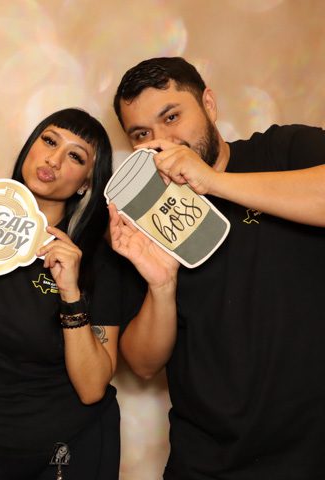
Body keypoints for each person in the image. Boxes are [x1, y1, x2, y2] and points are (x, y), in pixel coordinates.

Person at [109, 56, 325, 479]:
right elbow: (142, 363)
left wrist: (212, 181)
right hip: (205, 462)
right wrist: (162, 287)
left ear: (208, 104)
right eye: (142, 134)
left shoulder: (282, 150)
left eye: (172, 117)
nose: (162, 142)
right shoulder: (143, 217)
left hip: (311, 454)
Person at [0, 108, 127, 479]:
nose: (54, 159)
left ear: (86, 184)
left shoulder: (96, 257)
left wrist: (70, 292)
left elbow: (93, 388)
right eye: (49, 141)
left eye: (75, 156)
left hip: (69, 447)